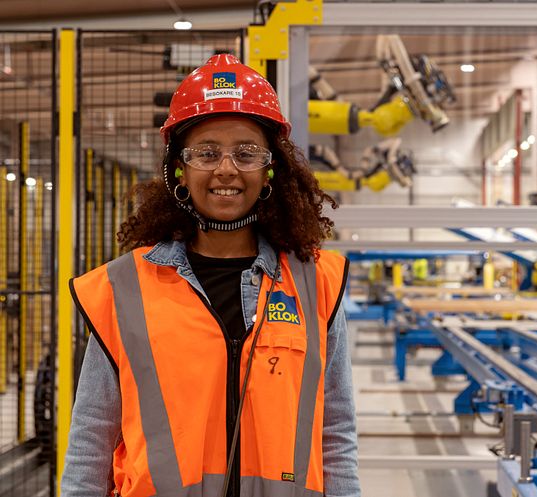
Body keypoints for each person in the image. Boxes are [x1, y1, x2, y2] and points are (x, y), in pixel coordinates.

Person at [61, 53, 360, 497]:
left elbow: (335, 434)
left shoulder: (316, 283)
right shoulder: (123, 290)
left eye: (246, 153)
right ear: (179, 168)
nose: (226, 169)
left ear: (269, 169)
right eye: (206, 152)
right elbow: (91, 442)